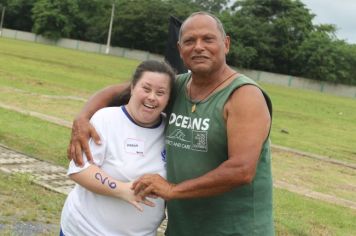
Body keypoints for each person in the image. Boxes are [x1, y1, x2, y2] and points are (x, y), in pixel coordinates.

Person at [68, 11, 274, 236]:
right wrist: (83, 118)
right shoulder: (176, 87)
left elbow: (241, 170)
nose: (198, 47)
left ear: (226, 44)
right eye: (189, 41)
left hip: (234, 229)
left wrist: (172, 190)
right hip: (183, 228)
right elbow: (119, 91)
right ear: (179, 49)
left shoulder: (244, 96)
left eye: (208, 39)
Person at [60, 60, 176, 236]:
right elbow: (79, 169)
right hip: (84, 230)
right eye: (146, 89)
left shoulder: (171, 129)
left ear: (168, 99)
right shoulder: (106, 118)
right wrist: (123, 190)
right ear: (132, 88)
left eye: (160, 93)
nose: (152, 97)